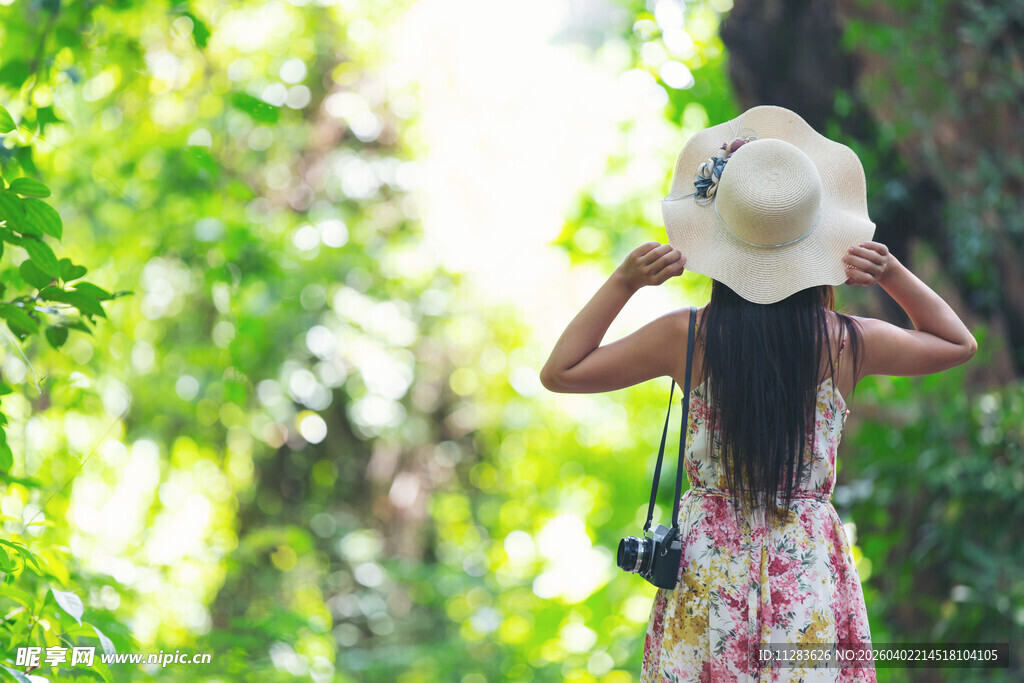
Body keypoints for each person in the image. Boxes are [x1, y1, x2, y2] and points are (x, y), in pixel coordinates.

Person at [539, 105, 977, 682]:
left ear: (722, 240)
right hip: (807, 573)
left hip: (708, 577)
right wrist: (892, 273)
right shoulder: (845, 343)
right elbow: (956, 343)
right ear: (817, 243)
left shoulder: (687, 337)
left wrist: (624, 283)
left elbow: (562, 371)